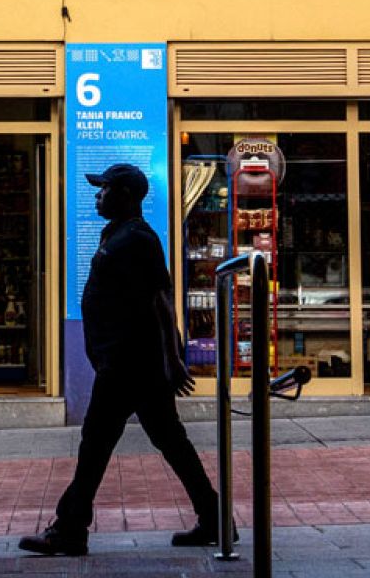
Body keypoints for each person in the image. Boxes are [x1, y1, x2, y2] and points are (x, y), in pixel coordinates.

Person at [19, 164, 226, 557]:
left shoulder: (138, 239)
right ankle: (214, 518)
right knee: (168, 442)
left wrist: (173, 359)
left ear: (127, 195)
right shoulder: (118, 234)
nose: (98, 195)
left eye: (105, 189)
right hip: (126, 361)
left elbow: (161, 299)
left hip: (131, 364)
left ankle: (70, 528)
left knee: (96, 444)